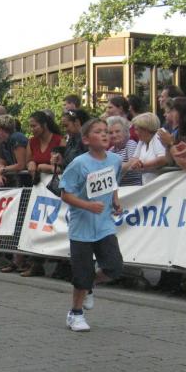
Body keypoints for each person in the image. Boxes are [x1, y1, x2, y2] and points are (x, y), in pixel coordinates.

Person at [59, 119, 124, 332]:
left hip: (104, 225)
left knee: (114, 267)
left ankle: (90, 285)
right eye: (98, 132)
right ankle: (75, 314)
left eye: (106, 131)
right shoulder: (79, 164)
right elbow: (65, 194)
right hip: (82, 227)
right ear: (86, 139)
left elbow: (112, 183)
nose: (105, 135)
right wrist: (87, 205)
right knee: (81, 274)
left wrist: (115, 200)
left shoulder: (115, 160)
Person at [121, 112, 167, 184]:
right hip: (147, 183)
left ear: (146, 129)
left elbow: (163, 159)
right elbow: (134, 159)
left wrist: (142, 165)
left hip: (161, 184)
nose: (135, 132)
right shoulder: (142, 141)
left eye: (137, 129)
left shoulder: (158, 136)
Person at [26, 111, 64, 179]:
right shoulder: (31, 141)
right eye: (30, 126)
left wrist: (47, 168)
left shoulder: (59, 140)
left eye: (34, 126)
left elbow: (65, 167)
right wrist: (30, 163)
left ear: (44, 125)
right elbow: (27, 162)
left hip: (56, 182)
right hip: (37, 183)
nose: (31, 129)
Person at [107, 116, 140, 187]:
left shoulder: (131, 144)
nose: (114, 135)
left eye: (117, 131)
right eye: (110, 133)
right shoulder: (111, 150)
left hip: (133, 187)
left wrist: (114, 167)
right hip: (118, 188)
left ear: (125, 132)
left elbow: (133, 164)